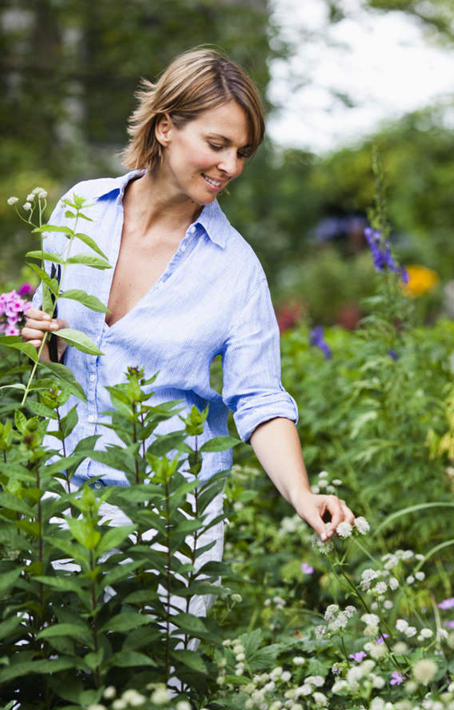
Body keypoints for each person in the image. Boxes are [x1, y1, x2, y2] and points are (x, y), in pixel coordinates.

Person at [23, 48, 355, 556]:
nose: (230, 167)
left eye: (242, 152)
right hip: (55, 496)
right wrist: (37, 341)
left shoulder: (235, 270)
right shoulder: (80, 210)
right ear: (164, 128)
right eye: (218, 144)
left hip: (167, 520)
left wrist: (301, 492)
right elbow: (54, 354)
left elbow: (259, 397)